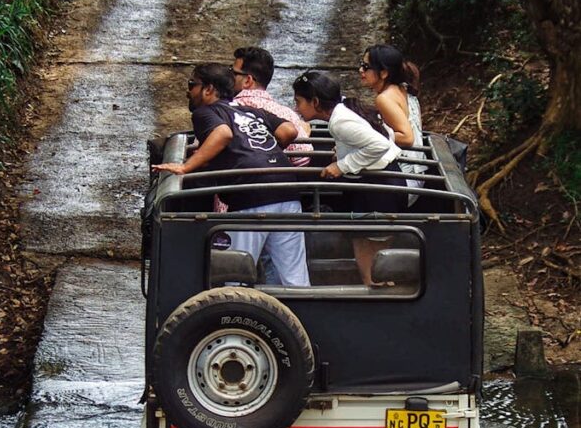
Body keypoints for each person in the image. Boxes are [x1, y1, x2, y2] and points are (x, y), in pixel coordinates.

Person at [153, 63, 310, 287]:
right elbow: (289, 130)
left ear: (208, 89)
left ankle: (231, 320)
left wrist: (186, 167)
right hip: (287, 190)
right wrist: (262, 152)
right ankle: (303, 319)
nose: (189, 91)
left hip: (250, 194)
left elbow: (223, 133)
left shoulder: (206, 112)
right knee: (294, 276)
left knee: (235, 274)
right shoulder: (251, 111)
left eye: (192, 85)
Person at [292, 69, 408, 286]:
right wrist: (345, 152)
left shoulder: (340, 121)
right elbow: (384, 133)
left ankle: (378, 302)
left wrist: (343, 164)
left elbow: (380, 144)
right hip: (382, 183)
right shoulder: (346, 108)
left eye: (298, 101)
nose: (296, 108)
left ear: (315, 101)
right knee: (371, 251)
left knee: (371, 261)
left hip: (378, 188)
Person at [359, 44, 426, 202]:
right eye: (360, 64)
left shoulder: (384, 98)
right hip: (416, 174)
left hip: (403, 178)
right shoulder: (402, 88)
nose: (360, 70)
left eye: (366, 67)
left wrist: (367, 137)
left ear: (383, 73)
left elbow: (407, 137)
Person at [232, 46, 312, 165]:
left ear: (247, 80)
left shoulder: (224, 109)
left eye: (232, 73)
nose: (228, 77)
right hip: (281, 180)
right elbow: (302, 160)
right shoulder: (288, 115)